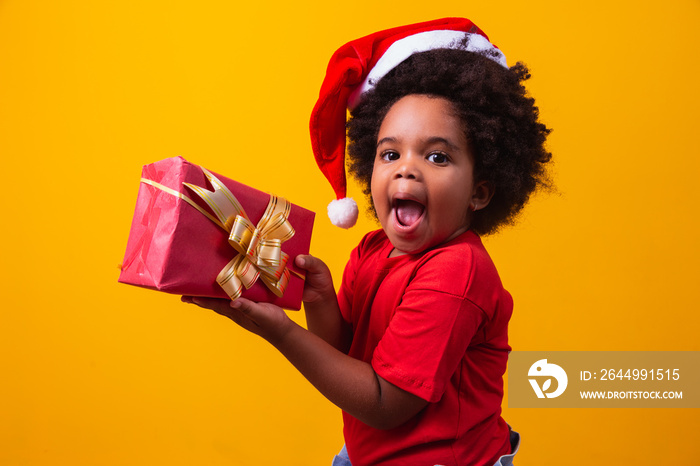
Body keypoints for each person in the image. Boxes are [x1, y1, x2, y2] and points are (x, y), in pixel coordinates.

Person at [183, 18, 552, 466]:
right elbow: (346, 355)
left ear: (479, 191)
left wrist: (279, 331)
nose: (405, 169)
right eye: (390, 153)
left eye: (436, 156)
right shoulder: (373, 249)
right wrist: (319, 300)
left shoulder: (456, 270)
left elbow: (384, 403)